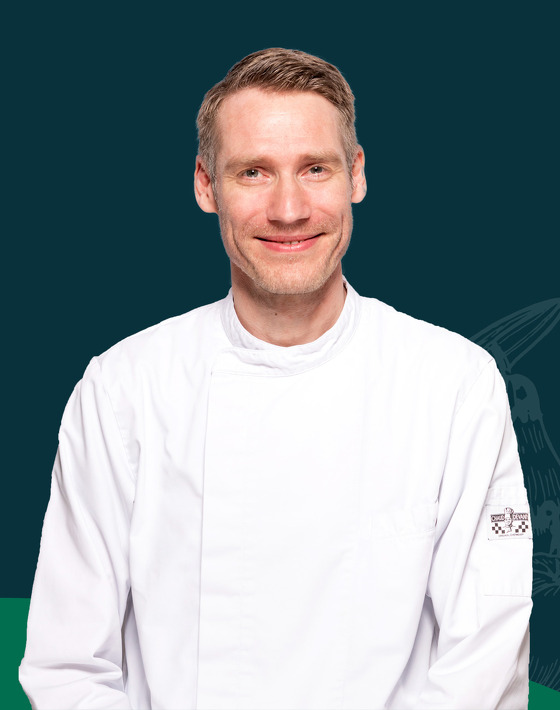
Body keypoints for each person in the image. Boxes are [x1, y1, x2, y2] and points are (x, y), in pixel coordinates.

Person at [20, 48, 532, 709]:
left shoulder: (456, 386)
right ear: (206, 186)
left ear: (357, 175)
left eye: (315, 169)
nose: (288, 209)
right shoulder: (122, 392)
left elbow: (483, 663)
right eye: (253, 172)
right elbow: (67, 669)